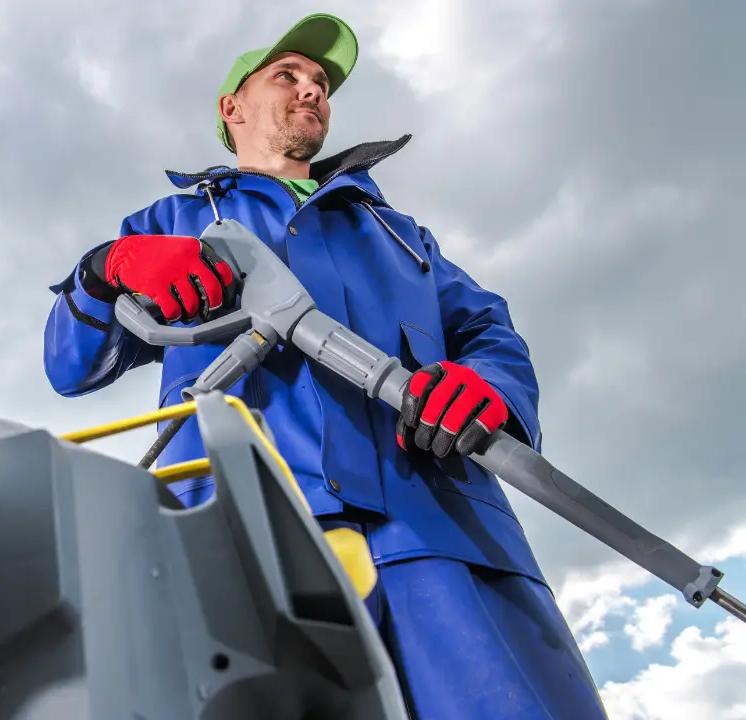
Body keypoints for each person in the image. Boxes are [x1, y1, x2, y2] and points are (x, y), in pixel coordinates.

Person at [42, 12, 608, 720]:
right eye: (288, 76)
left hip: (441, 535)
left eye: (320, 83)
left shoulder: (399, 236)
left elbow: (487, 330)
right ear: (232, 108)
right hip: (241, 538)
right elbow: (69, 367)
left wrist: (488, 388)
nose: (312, 90)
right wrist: (108, 268)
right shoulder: (171, 222)